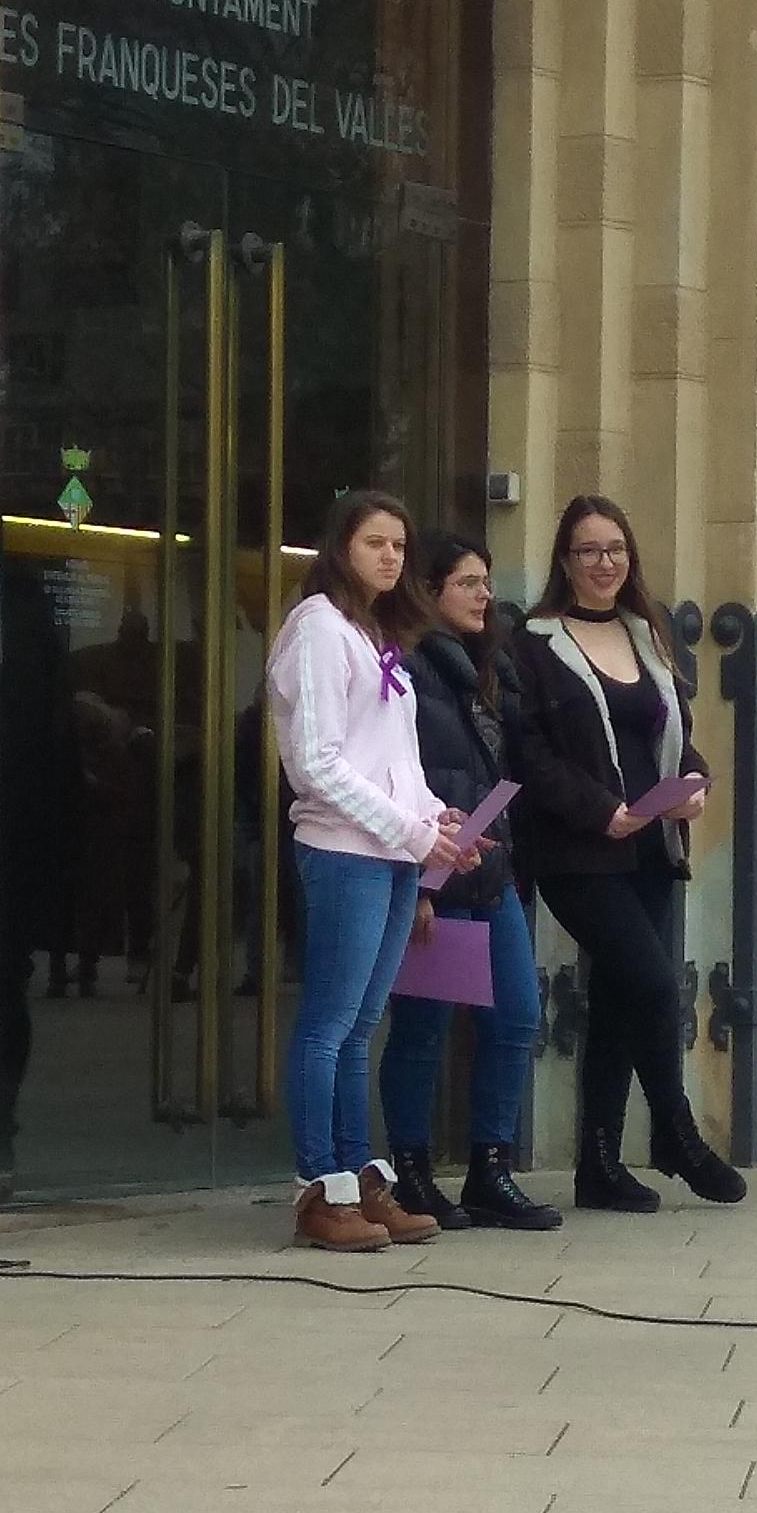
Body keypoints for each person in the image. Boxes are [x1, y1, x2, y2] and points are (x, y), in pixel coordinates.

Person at [512, 493, 747, 1212]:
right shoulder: (536, 642)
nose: (604, 562)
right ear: (565, 561)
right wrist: (600, 811)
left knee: (618, 1001)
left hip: (651, 847)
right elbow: (529, 755)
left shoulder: (647, 634)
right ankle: (676, 1134)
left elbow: (674, 736)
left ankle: (599, 1167)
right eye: (588, 550)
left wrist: (694, 784)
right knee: (652, 983)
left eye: (615, 549)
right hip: (578, 852)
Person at [266, 489, 479, 1252]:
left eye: (399, 546)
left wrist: (435, 820)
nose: (390, 557)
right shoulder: (318, 628)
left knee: (360, 1028)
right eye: (374, 543)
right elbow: (317, 764)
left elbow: (395, 761)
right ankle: (319, 1187)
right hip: (343, 852)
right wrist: (412, 832)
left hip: (390, 854)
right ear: (340, 549)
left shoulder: (376, 635)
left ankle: (359, 1181)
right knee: (328, 1026)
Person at [378, 531, 560, 1233]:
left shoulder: (488, 668)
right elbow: (404, 779)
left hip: (488, 867)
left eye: (486, 582)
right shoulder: (408, 666)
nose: (485, 595)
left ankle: (490, 1168)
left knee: (516, 1015)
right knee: (422, 1026)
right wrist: (421, 883)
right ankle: (412, 1171)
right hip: (434, 869)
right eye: (468, 583)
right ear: (429, 592)